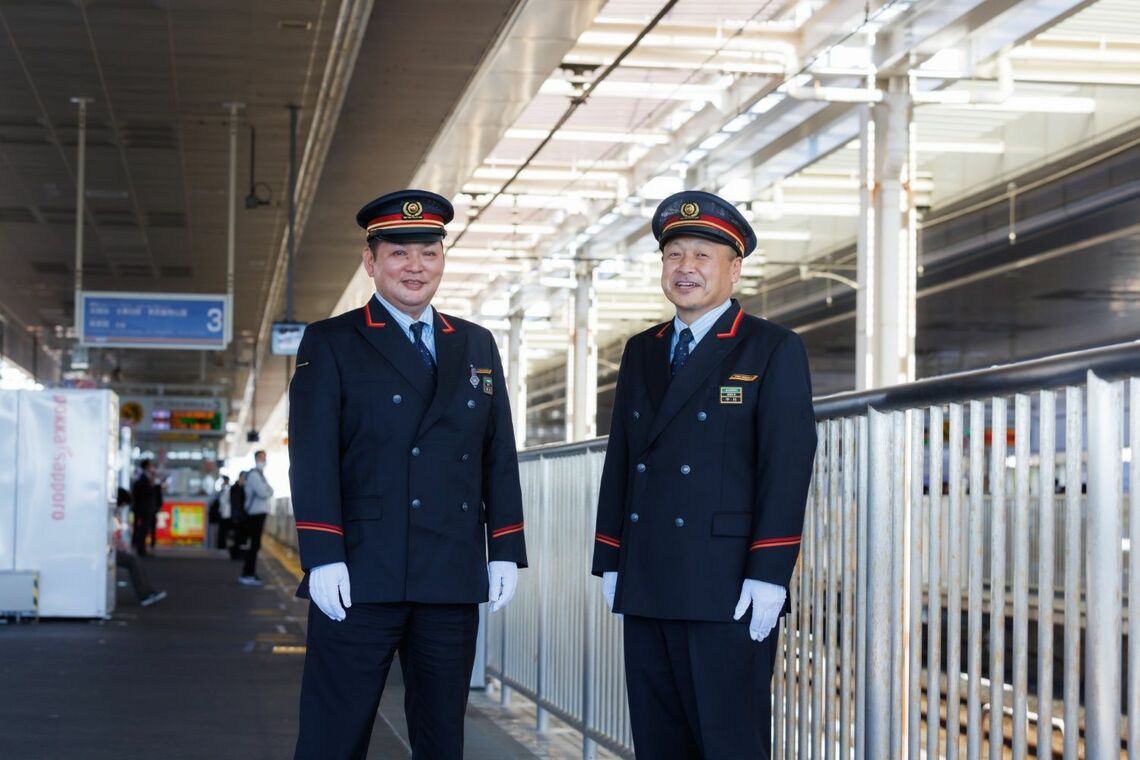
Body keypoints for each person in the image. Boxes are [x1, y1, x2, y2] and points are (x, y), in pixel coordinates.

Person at [288, 189, 528, 760]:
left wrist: (505, 548)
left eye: (428, 252)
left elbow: (498, 451)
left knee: (442, 736)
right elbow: (313, 454)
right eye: (399, 253)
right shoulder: (333, 341)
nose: (414, 267)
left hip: (447, 574)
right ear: (371, 262)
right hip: (360, 575)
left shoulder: (474, 343)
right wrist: (322, 555)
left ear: (443, 260)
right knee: (333, 733)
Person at [591, 190, 818, 759]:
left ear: (734, 268)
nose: (685, 268)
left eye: (702, 256)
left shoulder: (770, 349)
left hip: (726, 585)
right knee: (657, 739)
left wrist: (769, 572)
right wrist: (611, 556)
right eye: (674, 255)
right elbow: (622, 459)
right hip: (648, 577)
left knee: (727, 741)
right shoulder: (643, 349)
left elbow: (786, 466)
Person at [115, 488, 166, 607]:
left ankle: (147, 592)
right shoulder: (110, 514)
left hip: (109, 550)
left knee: (134, 560)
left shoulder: (111, 513)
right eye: (122, 505)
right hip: (106, 552)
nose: (122, 508)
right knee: (133, 561)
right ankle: (144, 594)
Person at [238, 451, 273, 586]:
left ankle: (250, 573)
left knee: (255, 545)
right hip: (255, 515)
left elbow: (270, 490)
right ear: (256, 458)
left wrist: (268, 490)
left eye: (265, 457)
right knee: (253, 545)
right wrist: (268, 490)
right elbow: (265, 492)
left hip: (259, 514)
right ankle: (247, 574)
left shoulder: (260, 475)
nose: (264, 460)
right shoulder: (254, 475)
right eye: (262, 457)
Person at [130, 459, 159, 557]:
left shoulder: (148, 478)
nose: (152, 467)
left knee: (145, 529)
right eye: (151, 465)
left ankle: (142, 549)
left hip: (148, 508)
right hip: (144, 508)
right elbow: (144, 494)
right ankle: (141, 550)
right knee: (143, 529)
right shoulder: (143, 479)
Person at [228, 471, 248, 560]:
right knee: (236, 536)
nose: (244, 480)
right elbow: (234, 503)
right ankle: (235, 555)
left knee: (242, 537)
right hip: (236, 516)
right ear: (240, 477)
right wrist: (235, 515)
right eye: (243, 478)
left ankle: (240, 554)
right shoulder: (234, 488)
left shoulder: (245, 488)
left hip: (243, 516)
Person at [212, 475, 233, 550]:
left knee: (223, 531)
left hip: (225, 514)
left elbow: (223, 502)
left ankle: (222, 545)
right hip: (224, 513)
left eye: (223, 480)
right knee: (222, 530)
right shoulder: (225, 489)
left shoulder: (226, 490)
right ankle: (221, 545)